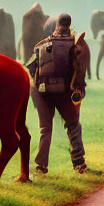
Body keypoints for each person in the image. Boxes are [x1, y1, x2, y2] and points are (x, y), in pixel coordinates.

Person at [28, 13, 89, 175]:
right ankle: (79, 163)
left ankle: (41, 166)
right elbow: (80, 73)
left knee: (45, 129)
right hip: (64, 93)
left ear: (56, 25)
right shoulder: (77, 46)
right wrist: (79, 91)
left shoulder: (43, 43)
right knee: (73, 125)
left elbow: (32, 68)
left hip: (42, 92)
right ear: (69, 25)